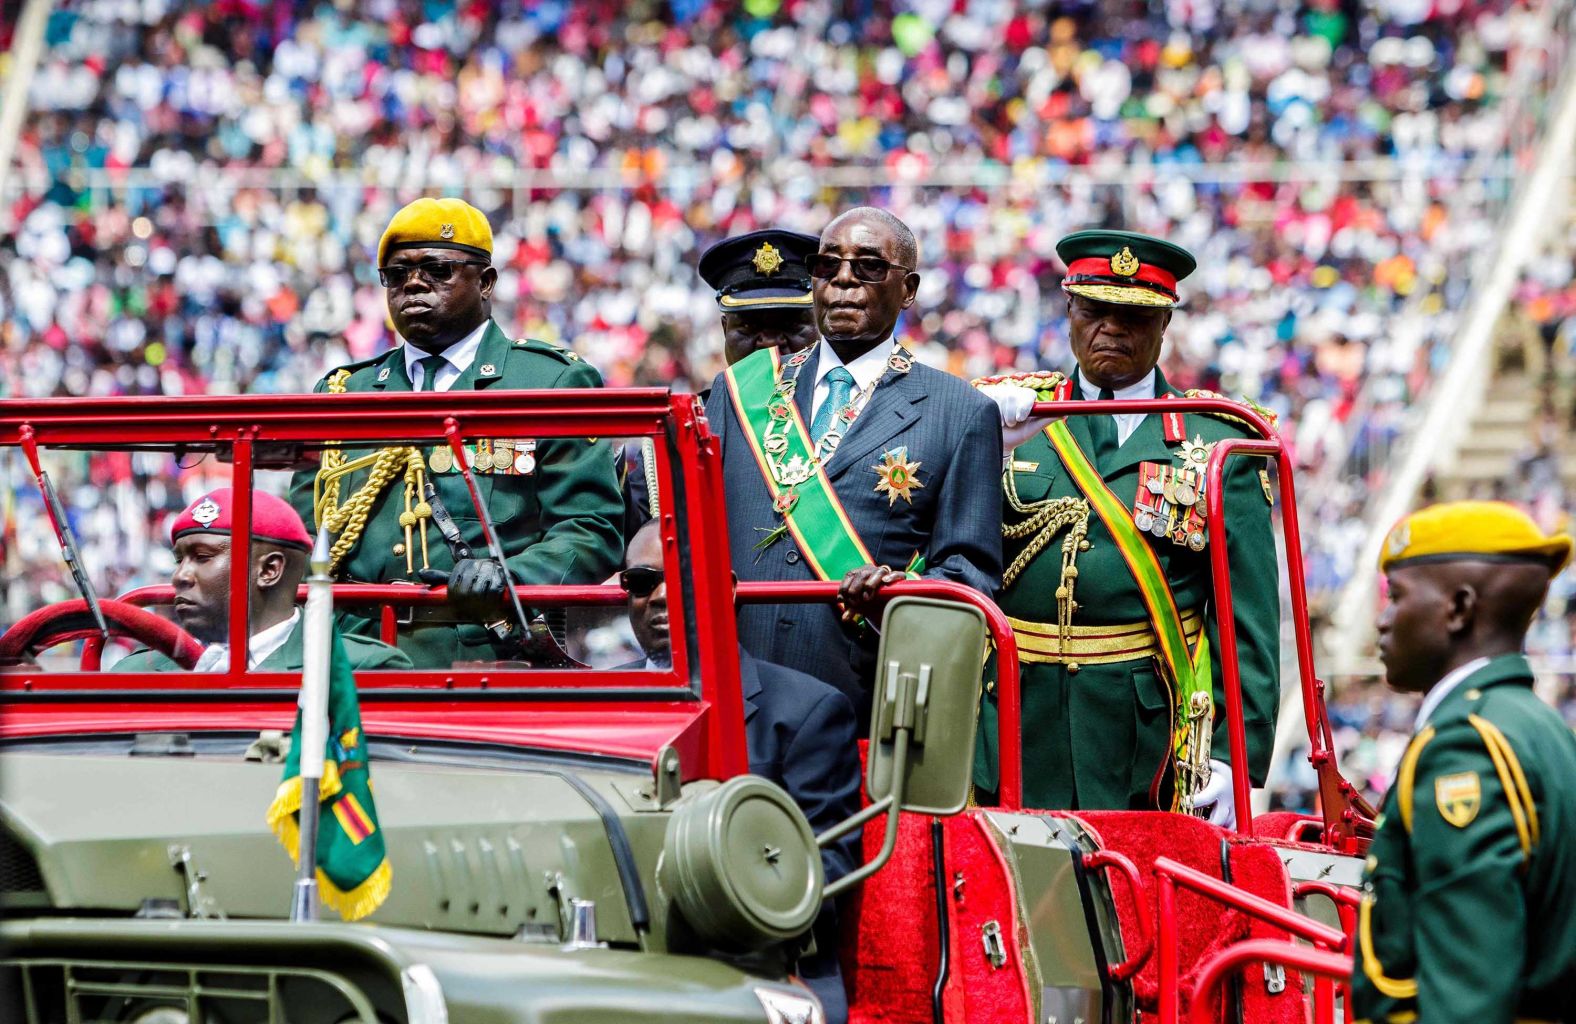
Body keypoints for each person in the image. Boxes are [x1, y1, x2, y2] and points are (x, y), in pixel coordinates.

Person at [972, 229, 1279, 820]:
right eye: (1093, 311)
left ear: (1165, 326)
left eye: (1133, 316)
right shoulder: (1012, 417)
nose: (1110, 328)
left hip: (1142, 729)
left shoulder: (1216, 441)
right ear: (1068, 312)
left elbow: (1249, 623)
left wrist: (1234, 758)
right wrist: (969, 430)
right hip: (1012, 712)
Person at [288, 198, 624, 668]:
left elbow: (593, 527)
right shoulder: (345, 391)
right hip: (352, 659)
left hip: (477, 656)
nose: (414, 284)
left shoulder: (547, 381)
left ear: (485, 283)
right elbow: (303, 539)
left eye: (437, 269)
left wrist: (509, 576)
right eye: (396, 274)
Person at [702, 207, 1003, 723]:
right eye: (826, 266)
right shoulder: (737, 393)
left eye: (867, 266)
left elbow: (969, 579)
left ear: (907, 290)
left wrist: (896, 598)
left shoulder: (960, 411)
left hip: (862, 701)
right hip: (735, 688)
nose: (843, 280)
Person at [620, 520, 860, 1023]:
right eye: (641, 583)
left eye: (681, 578)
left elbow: (827, 874)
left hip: (756, 965)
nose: (659, 596)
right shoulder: (603, 702)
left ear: (726, 590)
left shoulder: (806, 711)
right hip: (615, 956)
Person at [1354, 501, 1575, 1024]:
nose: (1382, 621)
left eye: (1397, 597)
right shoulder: (1541, 728)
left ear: (1458, 608)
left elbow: (1467, 999)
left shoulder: (1464, 747)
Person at [624, 228, 820, 534]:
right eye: (749, 326)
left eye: (790, 324)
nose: (769, 344)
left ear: (818, 324)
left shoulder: (849, 409)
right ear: (724, 327)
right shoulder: (681, 431)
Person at [117, 488, 411, 672]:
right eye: (179, 560)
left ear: (269, 570)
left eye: (202, 556)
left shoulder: (359, 668)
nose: (180, 575)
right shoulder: (137, 671)